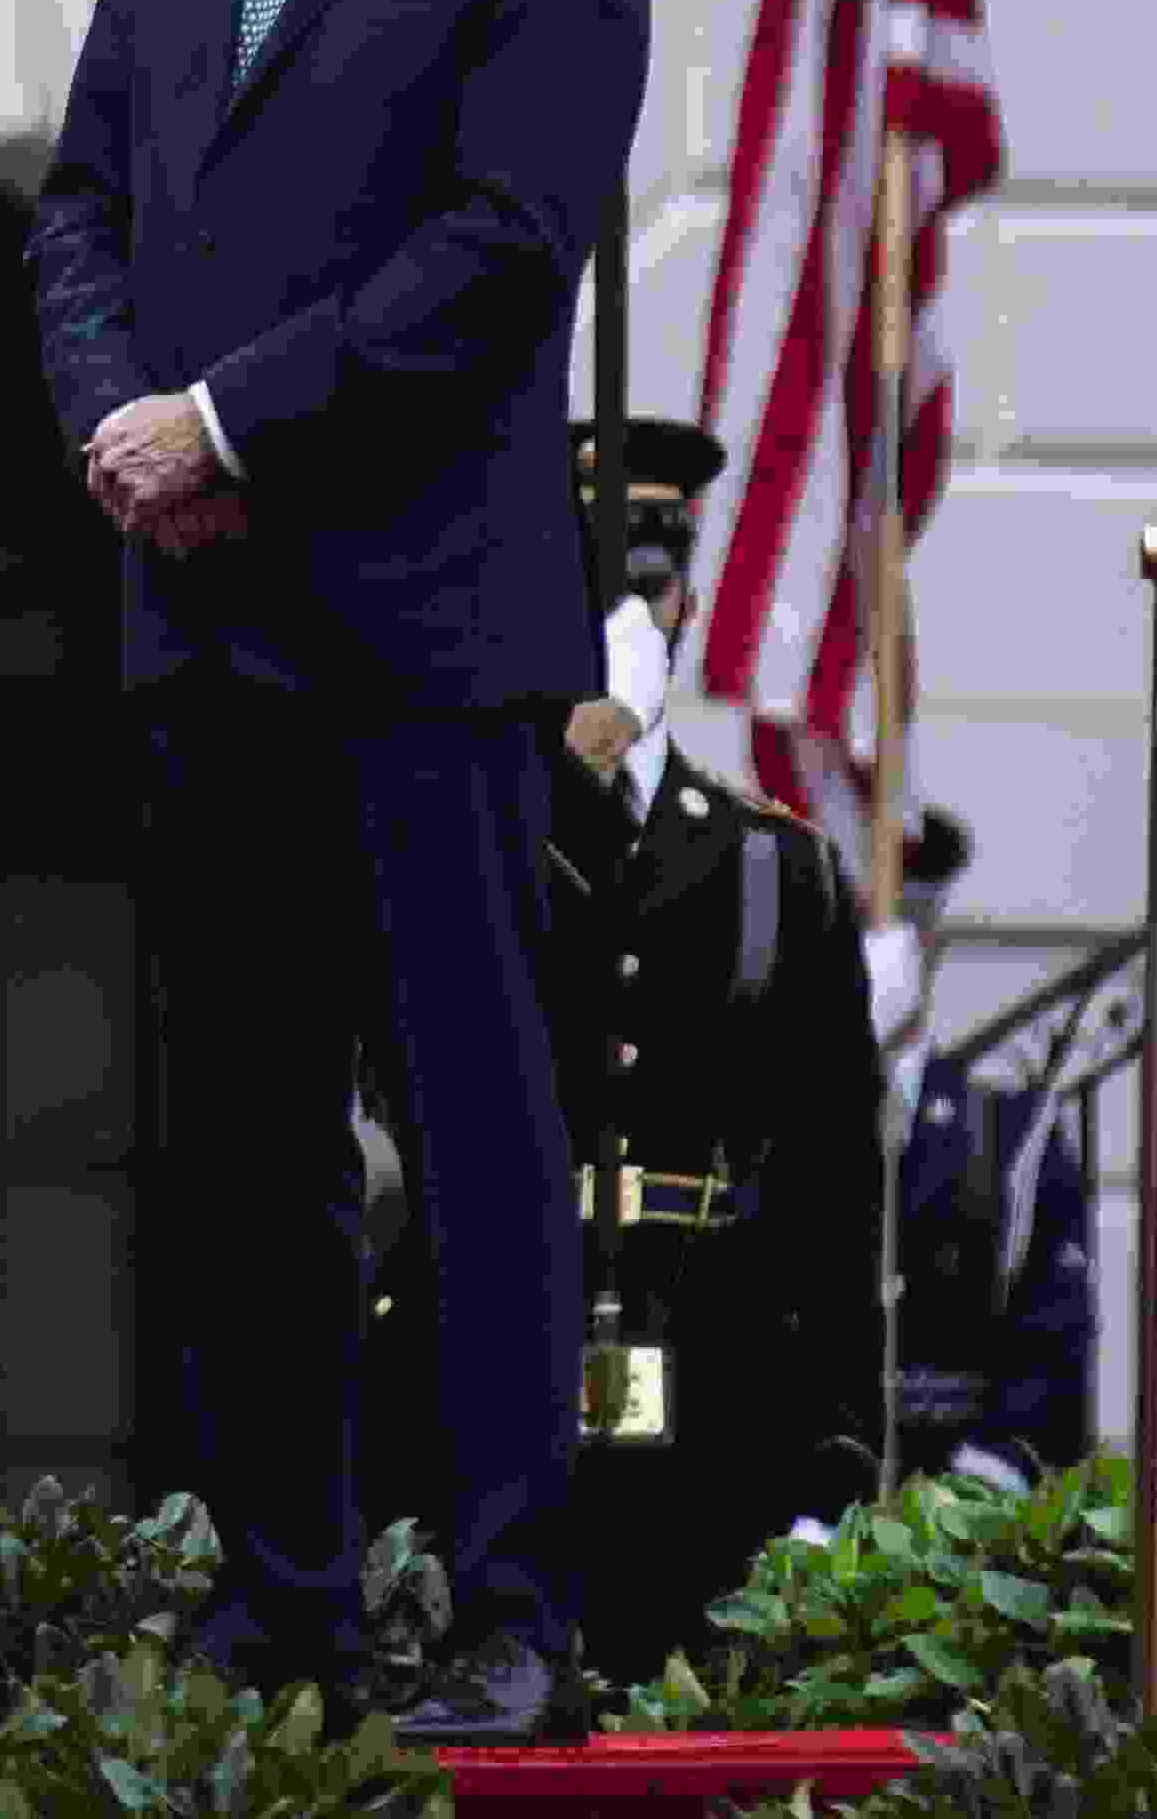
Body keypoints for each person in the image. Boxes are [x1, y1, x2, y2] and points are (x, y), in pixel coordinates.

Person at [28, 0, 648, 1740]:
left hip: (423, 628)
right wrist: (125, 420)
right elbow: (80, 203)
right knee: (246, 1152)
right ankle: (276, 1601)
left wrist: (233, 423)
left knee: (475, 1141)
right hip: (207, 623)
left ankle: (512, 1615)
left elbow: (499, 248)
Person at [370, 418, 886, 1677]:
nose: (621, 619)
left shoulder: (778, 869)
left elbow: (831, 1188)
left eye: (646, 587)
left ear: (686, 605)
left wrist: (835, 1463)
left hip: (718, 1397)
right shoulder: (461, 837)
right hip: (484, 1399)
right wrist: (560, 764)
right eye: (590, 587)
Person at [869, 811, 1100, 1496]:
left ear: (924, 945)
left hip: (958, 1510)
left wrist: (980, 1486)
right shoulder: (755, 1129)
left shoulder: (1008, 1138)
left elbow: (1052, 1348)